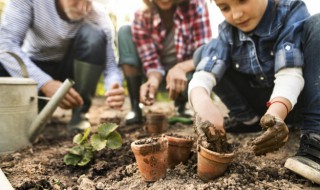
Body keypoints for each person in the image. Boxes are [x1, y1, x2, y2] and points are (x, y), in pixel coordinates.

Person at [189, 0, 320, 185]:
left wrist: (276, 112)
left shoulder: (290, 11)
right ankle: (249, 121)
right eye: (224, 7)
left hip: (296, 101)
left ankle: (316, 137)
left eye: (242, 1)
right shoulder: (228, 31)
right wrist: (202, 102)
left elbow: (290, 72)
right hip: (263, 107)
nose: (236, 15)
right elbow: (205, 73)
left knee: (318, 24)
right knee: (202, 54)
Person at [0, 0, 125, 130]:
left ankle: (80, 113)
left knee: (93, 35)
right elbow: (5, 44)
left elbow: (110, 66)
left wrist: (114, 85)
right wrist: (45, 83)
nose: (83, 8)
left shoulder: (98, 14)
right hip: (35, 69)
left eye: (89, 2)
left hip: (70, 72)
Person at [117, 0, 212, 125]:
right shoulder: (141, 16)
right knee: (124, 31)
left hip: (186, 76)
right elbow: (150, 61)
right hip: (159, 76)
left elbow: (205, 53)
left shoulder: (196, 5)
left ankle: (181, 105)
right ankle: (135, 106)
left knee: (201, 69)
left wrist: (181, 68)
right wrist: (153, 80)